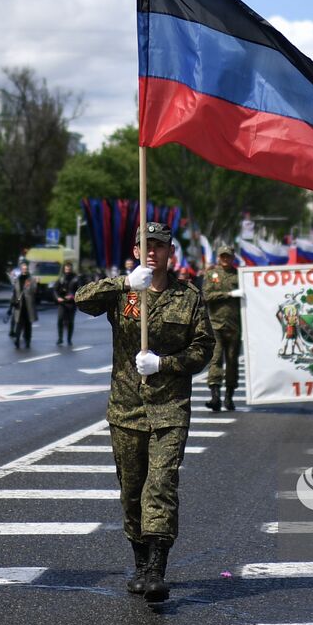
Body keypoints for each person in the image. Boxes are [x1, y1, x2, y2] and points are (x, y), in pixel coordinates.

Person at [75, 221, 214, 602]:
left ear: (171, 253)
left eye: (160, 246)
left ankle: (156, 568)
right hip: (126, 410)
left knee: (161, 485)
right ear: (136, 251)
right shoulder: (124, 291)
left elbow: (204, 348)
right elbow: (81, 299)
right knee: (131, 491)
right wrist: (123, 283)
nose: (152, 251)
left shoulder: (189, 297)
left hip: (169, 408)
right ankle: (139, 561)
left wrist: (165, 364)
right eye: (145, 245)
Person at [201, 244, 243, 411]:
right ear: (218, 257)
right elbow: (206, 295)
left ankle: (229, 397)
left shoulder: (240, 275)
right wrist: (228, 294)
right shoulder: (211, 274)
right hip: (215, 324)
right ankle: (215, 396)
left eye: (228, 256)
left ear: (233, 258)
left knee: (232, 361)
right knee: (216, 359)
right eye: (222, 256)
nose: (225, 259)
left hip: (235, 325)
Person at [10, 258, 36, 349]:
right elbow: (14, 292)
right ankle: (17, 340)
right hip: (20, 306)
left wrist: (32, 285)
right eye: (23, 268)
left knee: (28, 325)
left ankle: (28, 341)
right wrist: (13, 302)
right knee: (19, 324)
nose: (25, 269)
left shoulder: (31, 279)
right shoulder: (18, 279)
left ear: (27, 269)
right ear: (21, 269)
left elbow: (34, 291)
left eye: (26, 268)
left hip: (28, 306)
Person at [54, 261, 82, 345]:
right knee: (60, 320)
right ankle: (60, 338)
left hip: (71, 303)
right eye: (66, 268)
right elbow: (55, 289)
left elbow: (80, 290)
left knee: (70, 322)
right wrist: (57, 298)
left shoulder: (75, 278)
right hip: (62, 303)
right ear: (64, 269)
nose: (68, 270)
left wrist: (72, 296)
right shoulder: (61, 278)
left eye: (69, 268)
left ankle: (69, 339)